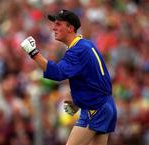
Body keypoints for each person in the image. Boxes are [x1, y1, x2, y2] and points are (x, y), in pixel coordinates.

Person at [20, 9, 117, 145]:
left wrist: (33, 53)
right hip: (105, 105)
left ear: (70, 28)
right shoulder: (87, 44)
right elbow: (96, 81)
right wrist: (79, 102)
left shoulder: (78, 50)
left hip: (95, 108)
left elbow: (58, 73)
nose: (54, 27)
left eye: (59, 24)